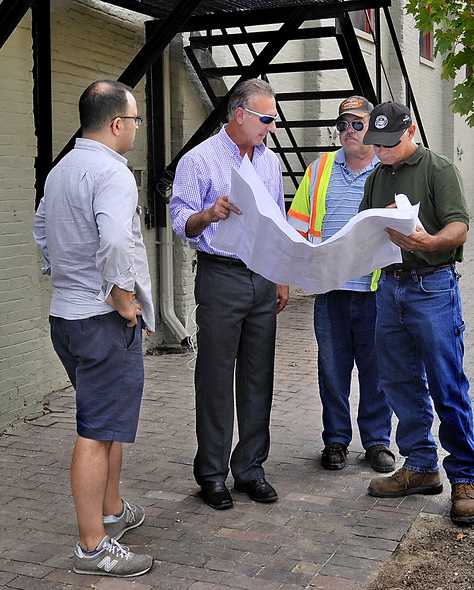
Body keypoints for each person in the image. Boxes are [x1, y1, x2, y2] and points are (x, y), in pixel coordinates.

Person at [33, 80, 155, 576]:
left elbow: (41, 231)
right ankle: (92, 546)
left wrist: (66, 275)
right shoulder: (112, 173)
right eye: (137, 120)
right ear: (117, 123)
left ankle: (112, 511)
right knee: (94, 431)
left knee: (106, 422)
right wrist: (123, 300)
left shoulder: (62, 169)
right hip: (102, 320)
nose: (137, 129)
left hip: (67, 315)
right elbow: (116, 245)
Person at [358, 101, 474, 525]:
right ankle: (421, 466)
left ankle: (463, 477)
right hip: (388, 288)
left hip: (433, 287)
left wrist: (431, 243)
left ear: (410, 132)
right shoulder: (376, 176)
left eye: (389, 144)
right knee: (398, 382)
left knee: (447, 383)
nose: (381, 151)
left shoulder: (438, 169)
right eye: (375, 144)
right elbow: (365, 227)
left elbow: (459, 227)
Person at [169, 78, 289, 511]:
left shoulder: (270, 162)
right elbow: (180, 219)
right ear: (239, 114)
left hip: (261, 274)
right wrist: (208, 213)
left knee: (259, 378)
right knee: (216, 379)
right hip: (221, 276)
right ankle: (212, 475)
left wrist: (280, 274)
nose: (271, 127)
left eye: (273, 119)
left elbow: (275, 218)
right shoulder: (199, 160)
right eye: (266, 118)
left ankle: (250, 470)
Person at [287, 96, 394, 472]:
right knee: (332, 370)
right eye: (343, 124)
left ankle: (377, 442)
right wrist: (295, 272)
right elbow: (297, 225)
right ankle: (335, 440)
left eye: (358, 124)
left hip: (376, 291)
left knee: (375, 371)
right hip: (330, 289)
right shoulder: (320, 169)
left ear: (374, 128)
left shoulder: (388, 169)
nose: (349, 131)